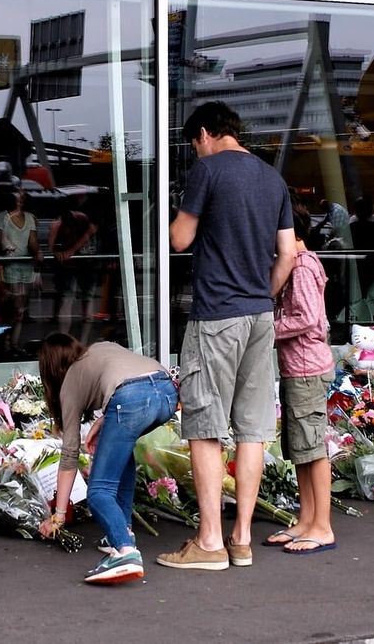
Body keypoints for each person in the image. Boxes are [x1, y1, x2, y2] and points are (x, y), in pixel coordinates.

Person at [158, 101, 295, 572]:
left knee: (205, 427)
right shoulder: (272, 178)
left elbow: (180, 239)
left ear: (204, 134)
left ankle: (210, 542)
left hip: (216, 315)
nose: (195, 151)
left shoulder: (209, 170)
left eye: (193, 144)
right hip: (260, 316)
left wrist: (173, 211)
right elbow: (287, 255)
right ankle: (241, 540)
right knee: (253, 430)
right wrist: (263, 294)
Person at [36, 332, 177, 585]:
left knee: (99, 491)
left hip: (131, 399)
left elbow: (70, 453)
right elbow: (136, 380)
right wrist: (107, 420)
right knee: (122, 459)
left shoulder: (68, 383)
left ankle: (125, 552)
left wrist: (58, 515)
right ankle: (123, 530)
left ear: (49, 369)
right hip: (167, 392)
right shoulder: (102, 347)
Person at [264, 194, 336, 556]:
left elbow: (306, 317)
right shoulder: (301, 264)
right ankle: (307, 519)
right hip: (299, 368)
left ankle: (322, 526)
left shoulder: (303, 267)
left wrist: (267, 327)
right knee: (302, 449)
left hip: (307, 367)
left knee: (313, 448)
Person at [0, 187, 42, 352]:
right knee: (13, 308)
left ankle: (13, 344)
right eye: (17, 197)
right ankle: (5, 342)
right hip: (10, 267)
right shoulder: (3, 216)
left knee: (20, 309)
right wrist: (6, 246)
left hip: (26, 267)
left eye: (22, 197)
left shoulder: (30, 218)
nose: (19, 200)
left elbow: (33, 242)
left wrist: (38, 253)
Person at [48, 199, 98, 337]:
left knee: (86, 298)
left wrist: (71, 250)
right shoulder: (57, 224)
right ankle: (65, 336)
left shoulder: (81, 218)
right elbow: (52, 246)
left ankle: (82, 339)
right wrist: (58, 252)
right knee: (68, 298)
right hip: (69, 265)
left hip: (84, 262)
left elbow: (90, 232)